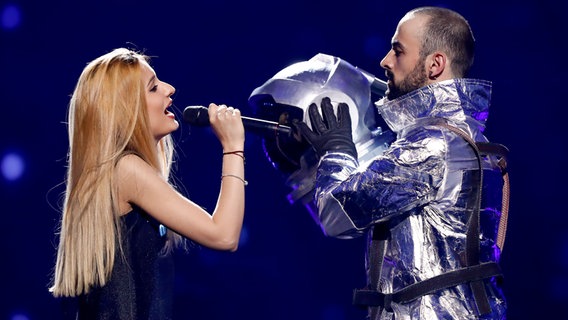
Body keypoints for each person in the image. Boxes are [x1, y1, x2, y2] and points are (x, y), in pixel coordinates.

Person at [295, 6, 509, 319]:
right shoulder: (457, 138)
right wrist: (304, 169)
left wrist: (336, 149)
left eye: (398, 51)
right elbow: (351, 204)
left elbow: (336, 214)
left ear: (435, 64)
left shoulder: (431, 147)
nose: (385, 61)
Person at [49, 48, 247, 319]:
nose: (170, 89)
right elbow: (224, 235)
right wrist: (233, 147)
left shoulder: (114, 172)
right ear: (127, 109)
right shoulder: (126, 170)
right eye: (153, 88)